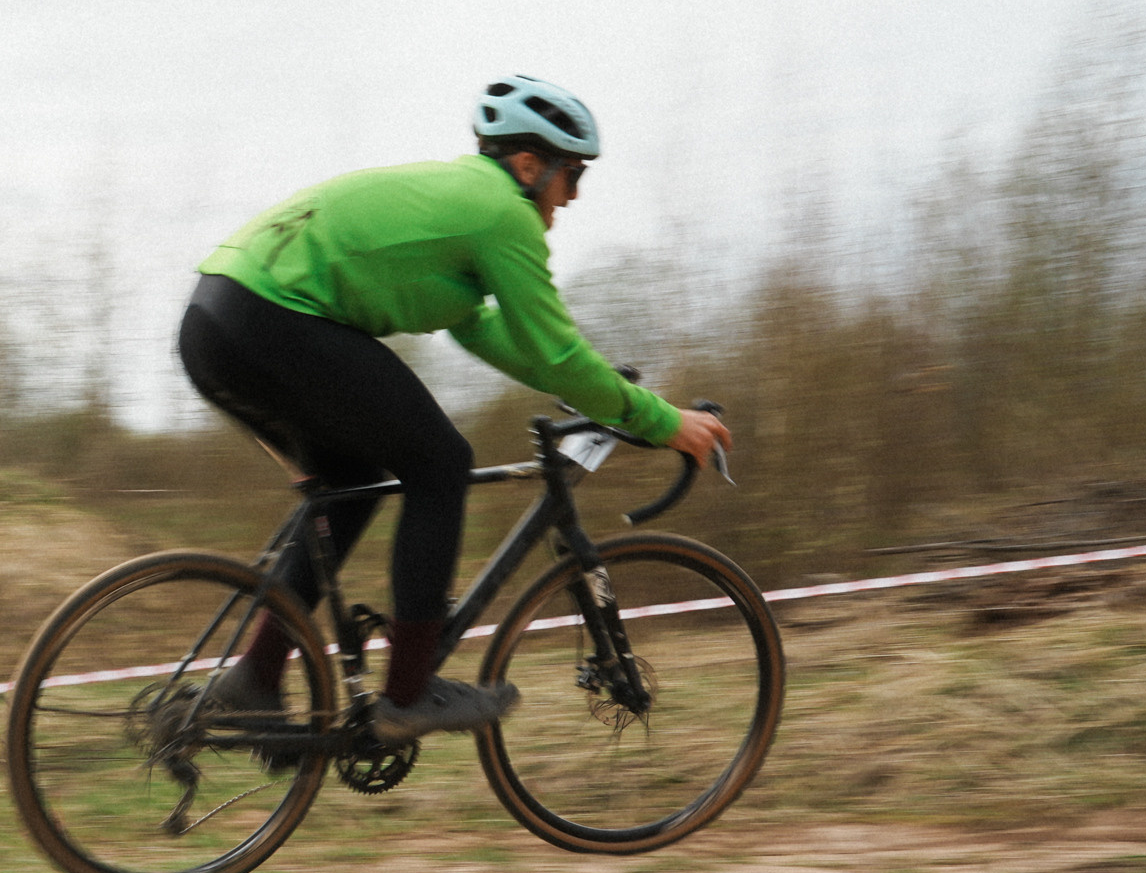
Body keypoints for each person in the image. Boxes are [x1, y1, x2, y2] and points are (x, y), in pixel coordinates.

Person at [177, 76, 733, 743]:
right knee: (440, 464)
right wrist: (664, 421)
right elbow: (557, 355)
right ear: (531, 165)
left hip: (214, 322)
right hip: (274, 320)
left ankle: (255, 681)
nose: (574, 197)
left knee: (352, 485)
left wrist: (614, 401)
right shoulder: (503, 213)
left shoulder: (457, 202)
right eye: (573, 177)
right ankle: (407, 695)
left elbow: (494, 334)